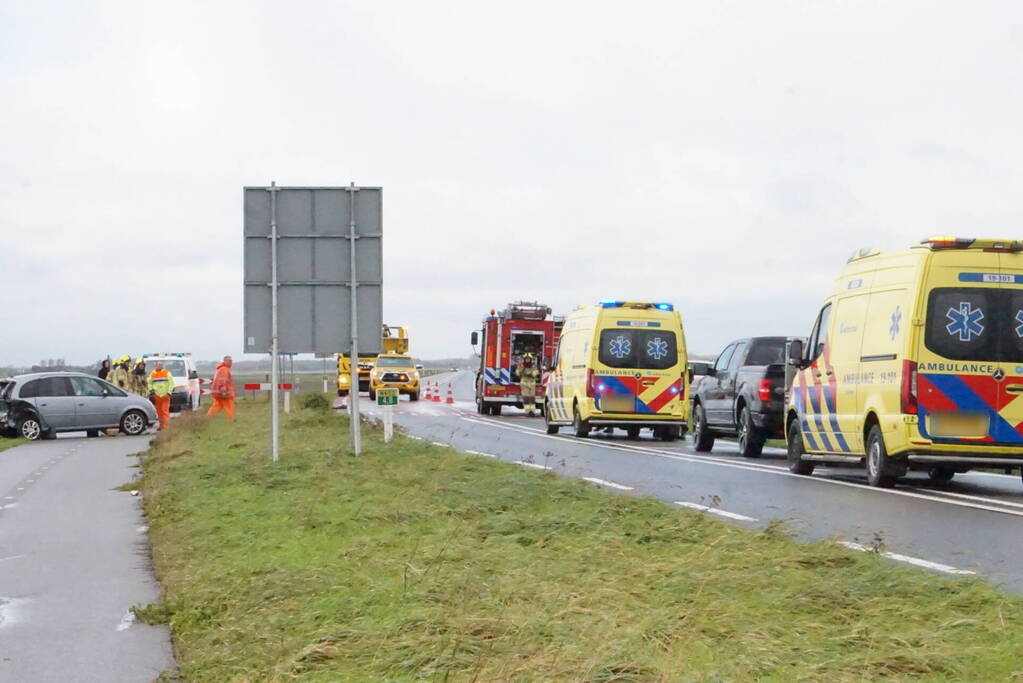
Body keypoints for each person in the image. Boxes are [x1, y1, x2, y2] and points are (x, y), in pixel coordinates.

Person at [207, 355, 236, 420]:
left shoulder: (221, 368)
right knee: (230, 406)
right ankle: (230, 419)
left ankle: (208, 417)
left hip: (219, 393)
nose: (231, 362)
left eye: (231, 361)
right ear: (225, 361)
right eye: (229, 361)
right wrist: (223, 392)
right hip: (224, 393)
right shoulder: (224, 369)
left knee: (217, 406)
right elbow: (222, 381)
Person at [148, 360, 174, 430]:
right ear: (155, 366)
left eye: (161, 365)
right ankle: (161, 426)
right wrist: (152, 391)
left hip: (165, 396)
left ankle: (166, 427)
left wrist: (169, 393)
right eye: (158, 365)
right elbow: (149, 383)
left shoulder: (167, 373)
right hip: (156, 396)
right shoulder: (152, 374)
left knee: (165, 411)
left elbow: (171, 383)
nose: (160, 366)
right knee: (159, 412)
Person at [518, 353, 540, 417]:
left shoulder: (533, 366)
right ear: (524, 359)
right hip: (524, 383)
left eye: (528, 359)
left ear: (530, 359)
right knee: (526, 397)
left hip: (532, 383)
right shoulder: (521, 365)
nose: (527, 360)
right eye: (526, 359)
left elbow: (536, 372)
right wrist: (521, 370)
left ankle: (532, 411)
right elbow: (517, 372)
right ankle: (527, 410)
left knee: (532, 398)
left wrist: (532, 373)